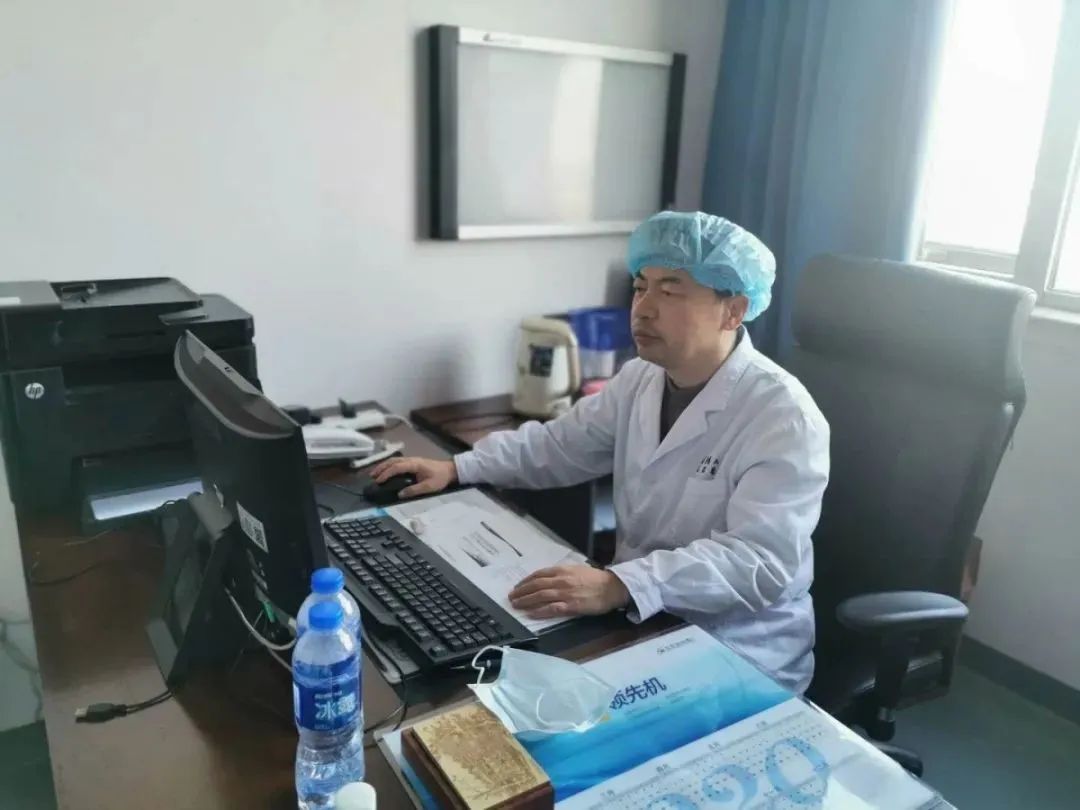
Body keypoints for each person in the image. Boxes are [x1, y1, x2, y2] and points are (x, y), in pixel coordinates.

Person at [371, 211, 829, 692]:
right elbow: (560, 445)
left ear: (733, 311)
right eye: (640, 287)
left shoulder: (782, 416)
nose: (643, 309)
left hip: (740, 653)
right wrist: (458, 467)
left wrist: (622, 584)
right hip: (642, 622)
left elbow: (760, 562)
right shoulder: (641, 378)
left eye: (669, 291)